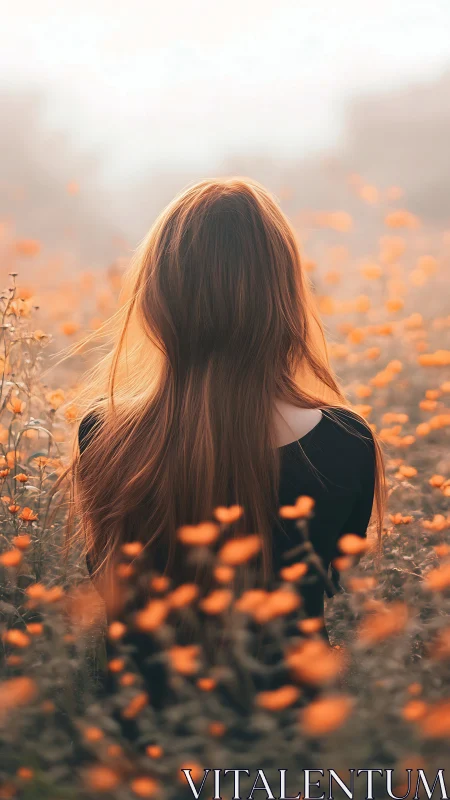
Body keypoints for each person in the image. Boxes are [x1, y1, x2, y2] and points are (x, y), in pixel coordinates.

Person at [73, 178, 385, 711]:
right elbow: (335, 587)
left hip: (145, 749)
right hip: (293, 745)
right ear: (283, 294)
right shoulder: (345, 442)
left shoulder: (104, 435)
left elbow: (107, 592)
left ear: (157, 295)